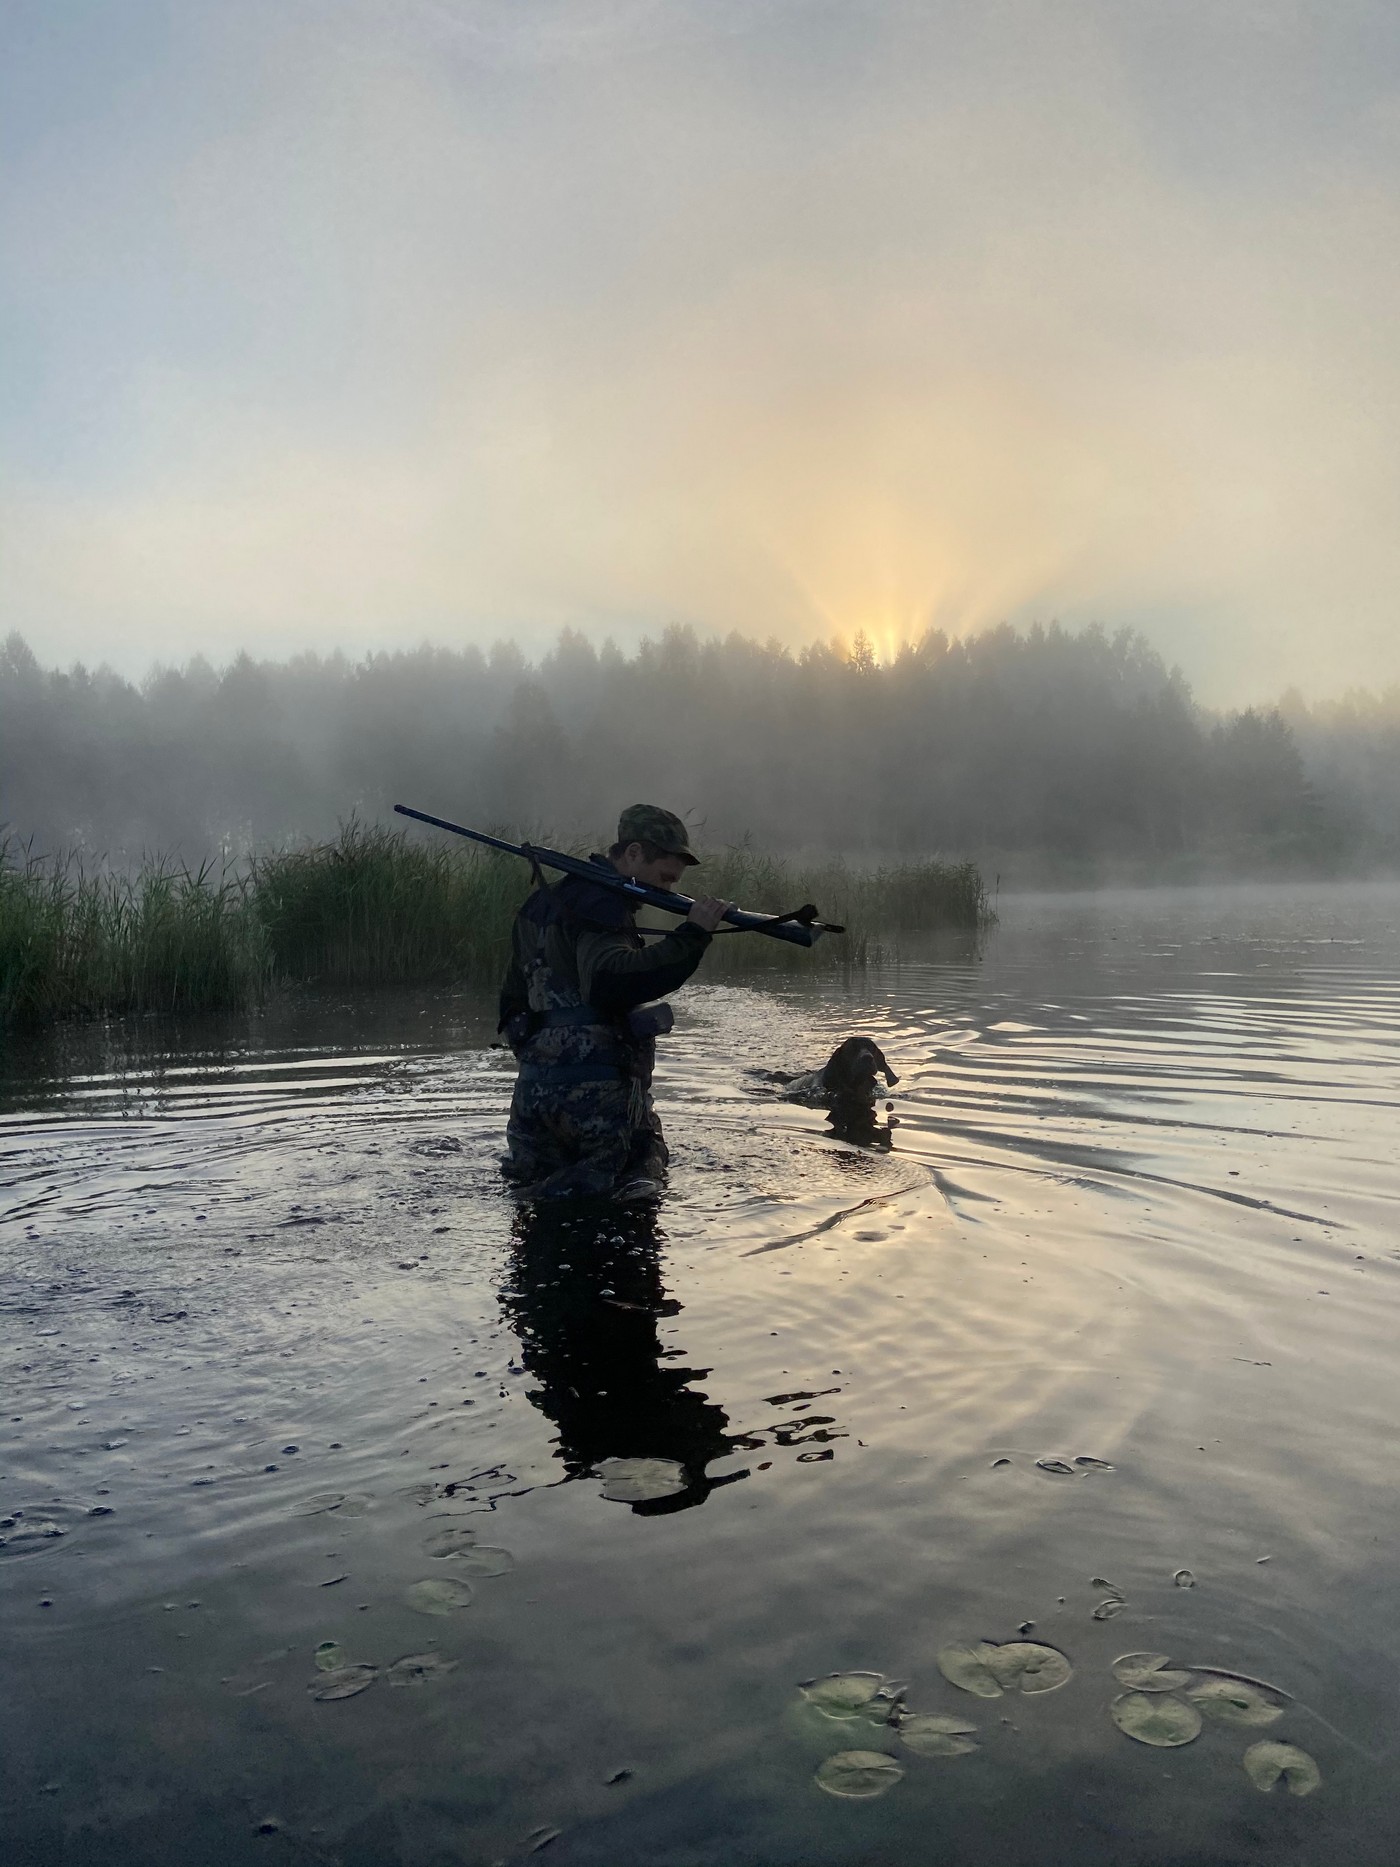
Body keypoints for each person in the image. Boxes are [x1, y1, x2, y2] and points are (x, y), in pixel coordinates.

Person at [497, 804, 729, 1201]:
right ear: (634, 854)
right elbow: (611, 979)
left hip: (532, 1092)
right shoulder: (603, 903)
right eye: (665, 877)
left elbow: (512, 999)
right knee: (633, 1181)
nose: (668, 890)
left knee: (534, 1225)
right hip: (596, 1093)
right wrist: (693, 935)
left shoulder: (542, 902)